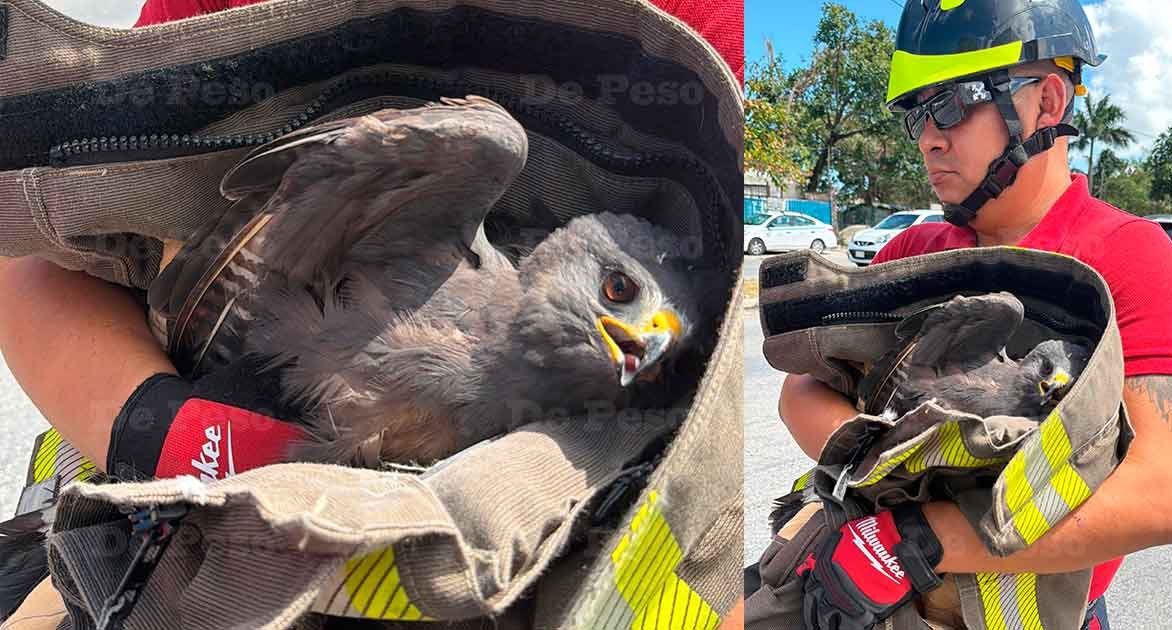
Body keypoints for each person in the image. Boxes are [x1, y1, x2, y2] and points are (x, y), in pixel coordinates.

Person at [0, 0, 745, 626]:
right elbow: (39, 251)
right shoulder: (457, 207)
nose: (648, 342)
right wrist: (165, 432)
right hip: (166, 520)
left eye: (668, 346)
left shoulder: (722, 29)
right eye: (621, 293)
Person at [775, 1, 1172, 629]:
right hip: (876, 598)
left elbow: (1167, 494)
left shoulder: (1129, 258)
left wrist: (921, 535)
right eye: (918, 112)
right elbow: (801, 393)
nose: (928, 136)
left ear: (1047, 103)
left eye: (951, 102)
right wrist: (893, 502)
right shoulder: (908, 254)